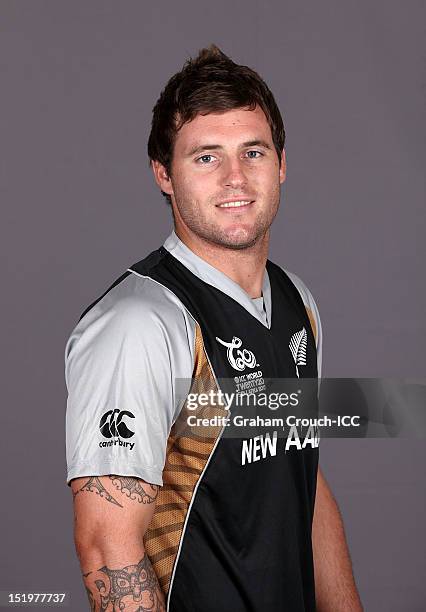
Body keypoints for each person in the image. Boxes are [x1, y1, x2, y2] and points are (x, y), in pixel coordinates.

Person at [65, 44, 363, 611]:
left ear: (282, 164)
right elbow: (108, 550)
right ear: (164, 175)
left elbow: (303, 479)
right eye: (205, 157)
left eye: (253, 151)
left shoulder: (297, 302)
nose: (235, 177)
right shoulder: (140, 322)